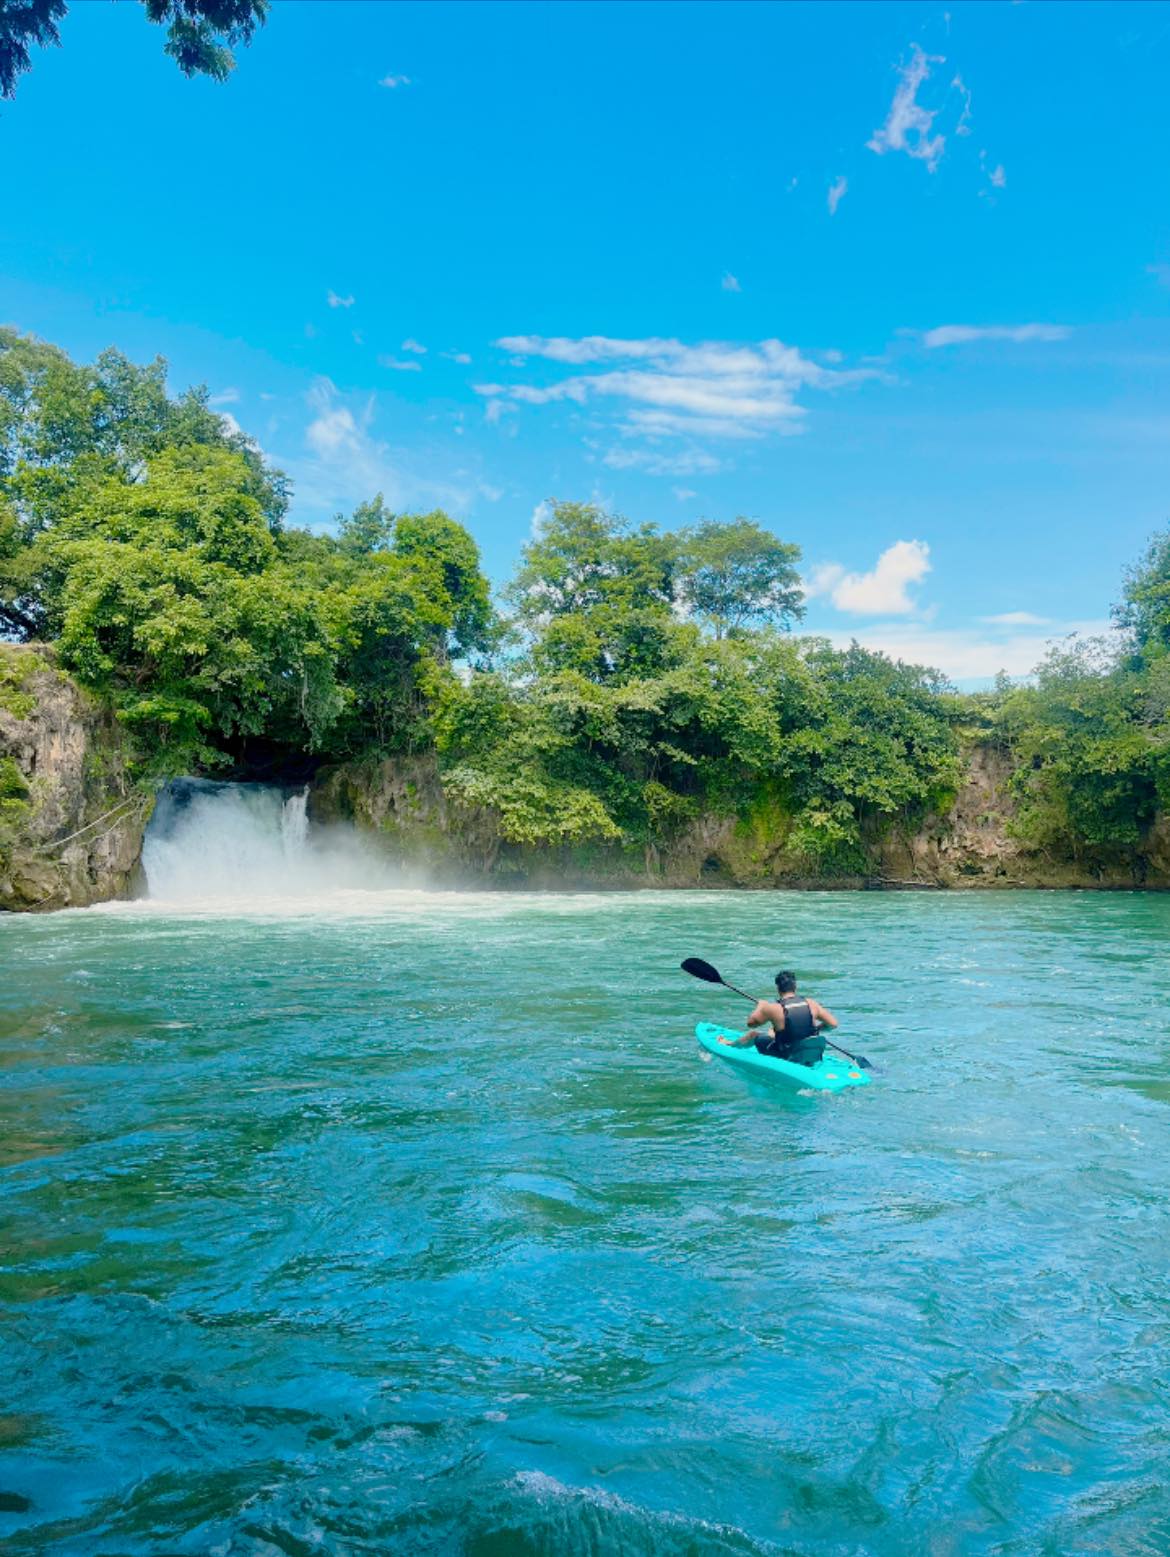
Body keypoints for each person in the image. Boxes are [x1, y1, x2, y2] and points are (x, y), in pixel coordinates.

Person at [719, 970, 837, 1067]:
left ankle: (729, 1045)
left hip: (788, 1055)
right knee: (773, 1030)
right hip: (809, 1052)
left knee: (753, 1034)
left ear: (778, 989)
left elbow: (750, 1023)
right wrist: (816, 1029)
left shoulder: (773, 1008)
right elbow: (833, 1024)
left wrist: (760, 1006)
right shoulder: (811, 1003)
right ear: (795, 987)